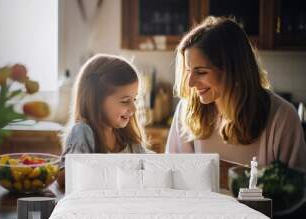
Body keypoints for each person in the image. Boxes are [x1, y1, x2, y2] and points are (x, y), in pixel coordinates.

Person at [166, 16, 306, 171]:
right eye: (188, 71)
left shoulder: (282, 117)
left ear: (234, 71)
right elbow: (175, 175)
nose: (190, 83)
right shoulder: (187, 111)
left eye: (202, 72)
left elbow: (295, 189)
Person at [57, 54, 150, 188]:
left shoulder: (126, 136)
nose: (133, 108)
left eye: (134, 99)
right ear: (96, 101)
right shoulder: (83, 132)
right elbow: (64, 179)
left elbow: (148, 164)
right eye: (125, 101)